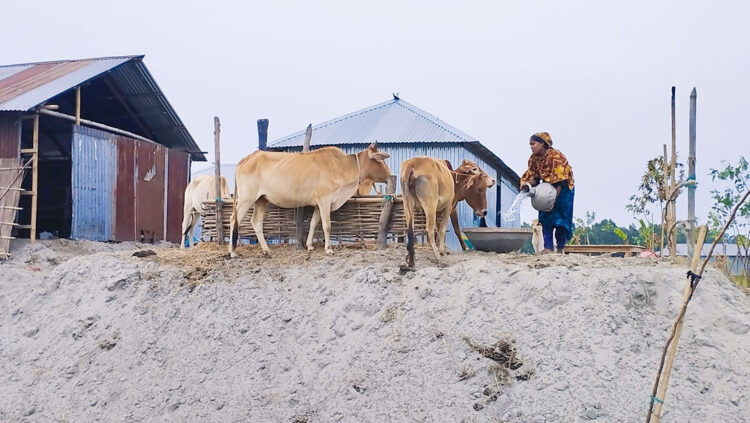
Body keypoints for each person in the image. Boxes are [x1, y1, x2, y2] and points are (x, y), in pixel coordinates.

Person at [520, 132, 575, 254]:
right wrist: (526, 184)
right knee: (545, 218)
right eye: (530, 145)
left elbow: (560, 182)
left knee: (560, 221)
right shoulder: (533, 159)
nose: (531, 147)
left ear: (542, 144)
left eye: (533, 144)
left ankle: (560, 248)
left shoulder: (556, 157)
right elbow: (534, 178)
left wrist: (553, 200)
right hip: (546, 189)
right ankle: (548, 248)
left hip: (564, 190)